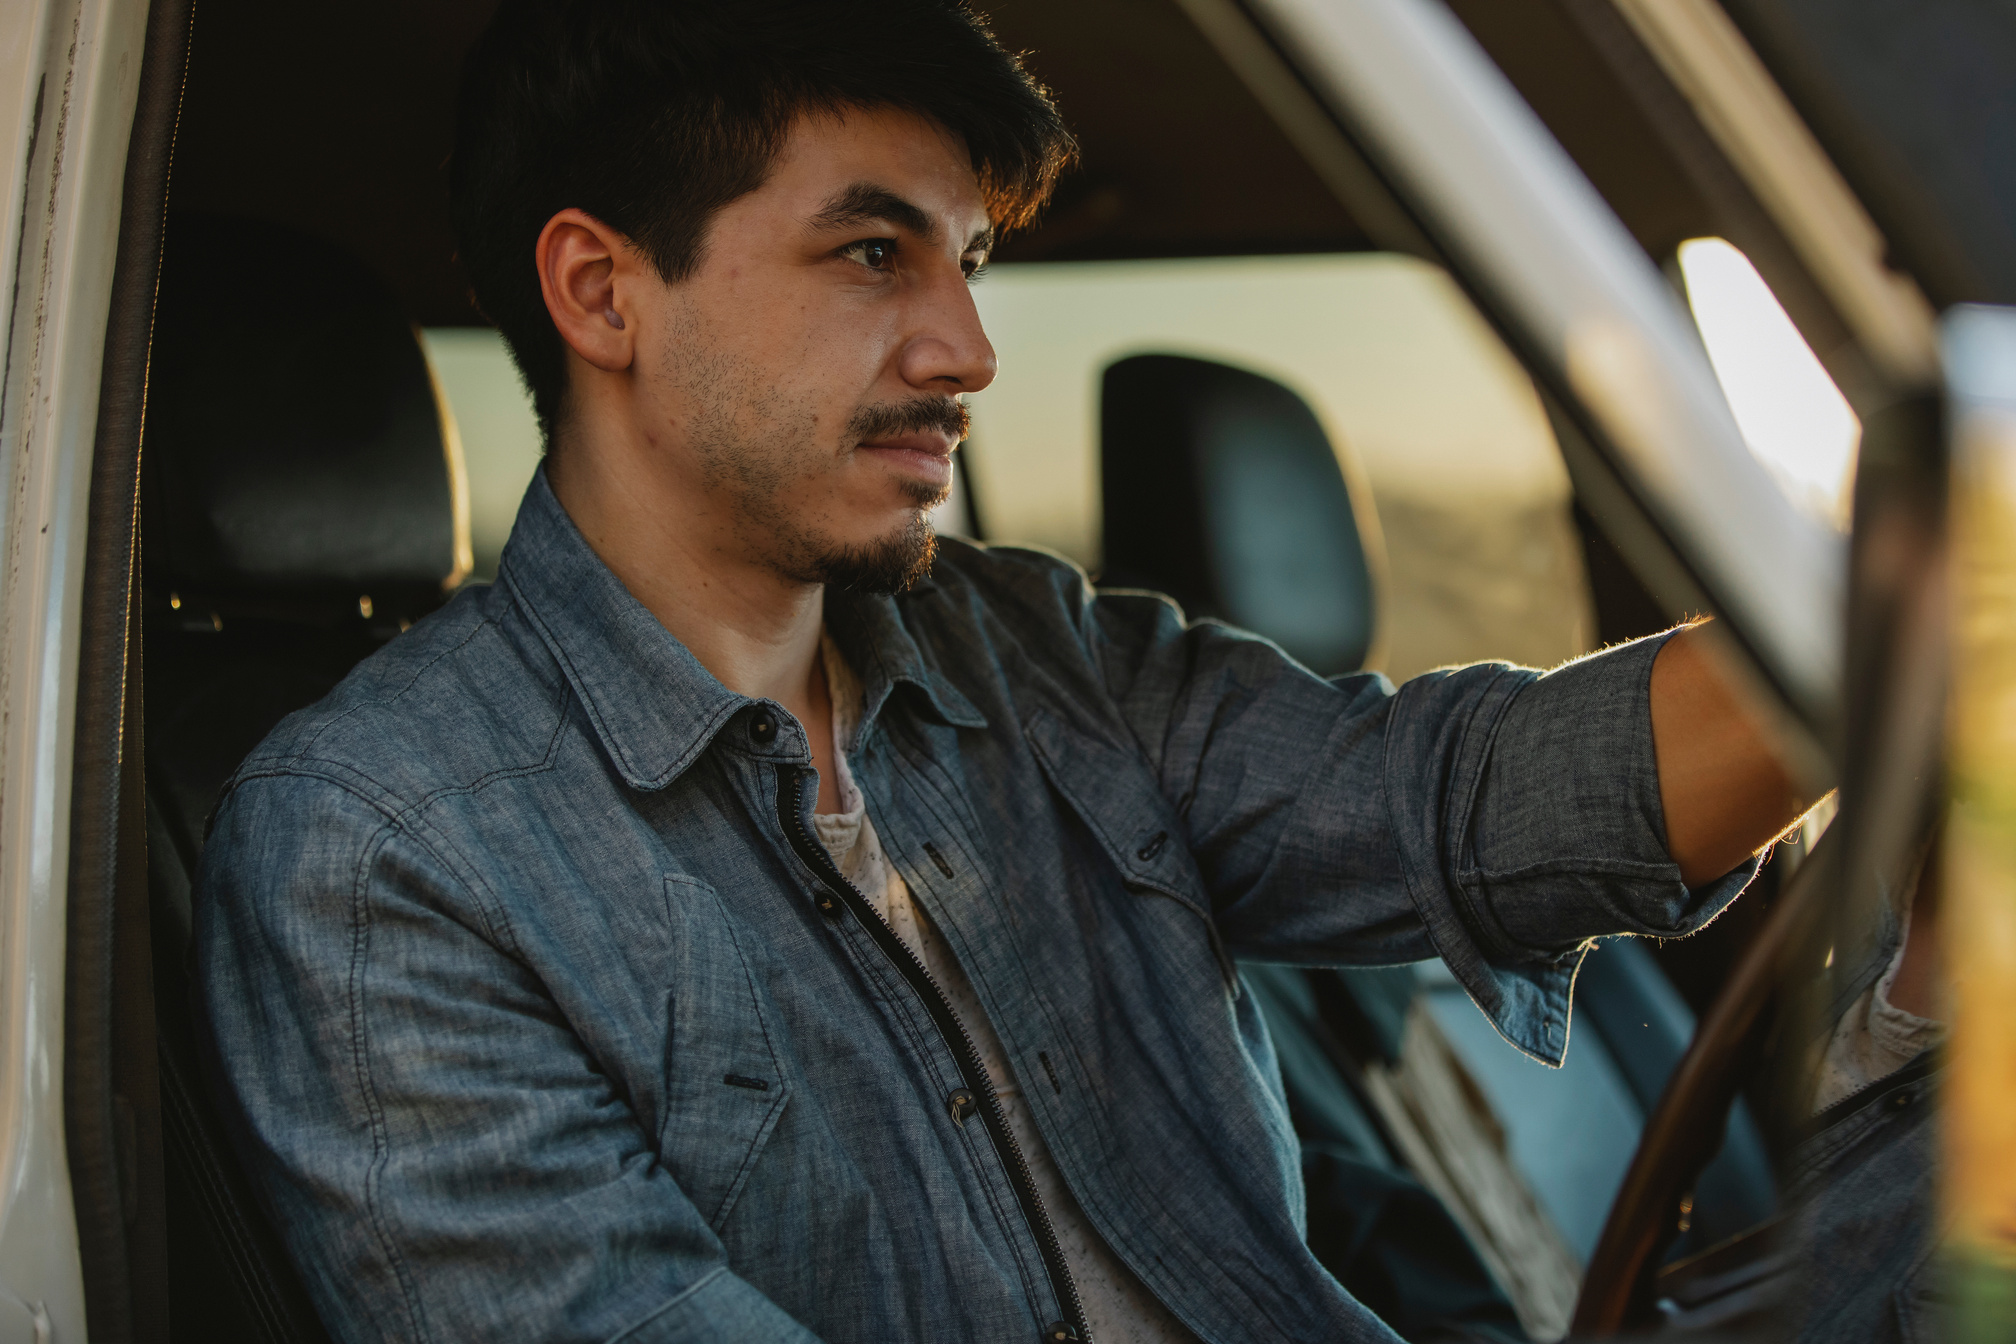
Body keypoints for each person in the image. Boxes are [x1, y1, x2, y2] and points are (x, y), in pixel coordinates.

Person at [195, 3, 1811, 1341]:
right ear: (603, 292)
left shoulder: (1030, 652)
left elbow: (1474, 802)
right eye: (873, 255)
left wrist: (1901, 630)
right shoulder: (379, 847)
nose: (966, 347)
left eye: (968, 261)